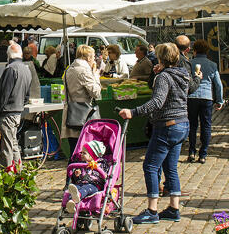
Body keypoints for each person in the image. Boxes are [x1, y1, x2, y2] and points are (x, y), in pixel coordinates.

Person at [119, 43, 190, 224]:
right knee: (170, 167)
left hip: (167, 125)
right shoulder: (182, 74)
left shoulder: (164, 77)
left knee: (150, 166)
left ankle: (152, 210)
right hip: (182, 124)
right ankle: (174, 208)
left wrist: (133, 112)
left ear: (160, 58)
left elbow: (157, 102)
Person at [0, 43, 31, 169]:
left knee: (7, 146)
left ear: (8, 55)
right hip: (17, 111)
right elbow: (27, 96)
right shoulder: (26, 69)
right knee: (13, 143)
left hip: (8, 112)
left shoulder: (10, 69)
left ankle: (7, 174)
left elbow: (3, 95)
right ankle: (19, 172)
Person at [61, 45, 102, 157]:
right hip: (83, 115)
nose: (94, 59)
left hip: (71, 112)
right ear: (88, 58)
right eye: (93, 57)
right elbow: (96, 93)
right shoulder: (84, 71)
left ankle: (72, 173)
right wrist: (96, 76)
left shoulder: (70, 69)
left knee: (74, 151)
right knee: (84, 152)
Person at [187, 39, 223, 164]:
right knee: (206, 125)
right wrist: (219, 100)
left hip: (191, 97)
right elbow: (218, 85)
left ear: (194, 50)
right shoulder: (212, 65)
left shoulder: (189, 63)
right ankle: (203, 154)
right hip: (207, 97)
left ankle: (191, 151)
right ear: (207, 51)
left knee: (192, 125)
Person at [65, 140, 111, 214]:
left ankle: (78, 195)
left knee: (86, 189)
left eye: (84, 153)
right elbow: (76, 177)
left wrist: (102, 174)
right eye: (81, 153)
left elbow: (104, 175)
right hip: (82, 183)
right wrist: (77, 174)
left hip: (94, 185)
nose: (81, 155)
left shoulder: (101, 164)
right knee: (74, 188)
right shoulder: (82, 164)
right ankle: (71, 203)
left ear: (92, 154)